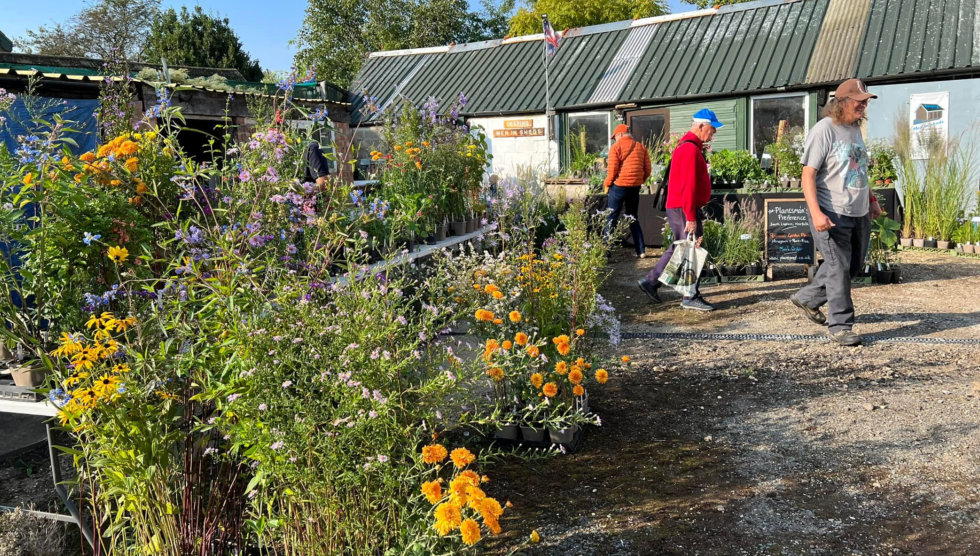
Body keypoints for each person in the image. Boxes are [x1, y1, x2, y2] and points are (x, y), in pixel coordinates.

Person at [790, 78, 881, 346]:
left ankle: (807, 298)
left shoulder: (855, 130)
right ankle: (841, 325)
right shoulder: (824, 130)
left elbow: (858, 169)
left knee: (851, 266)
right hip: (832, 211)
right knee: (838, 267)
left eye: (865, 102)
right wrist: (816, 213)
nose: (863, 106)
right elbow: (808, 175)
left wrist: (872, 199)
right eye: (858, 101)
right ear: (841, 103)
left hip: (858, 210)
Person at [637, 109, 721, 311]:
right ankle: (690, 296)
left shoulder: (689, 147)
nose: (714, 134)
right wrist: (691, 216)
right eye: (712, 129)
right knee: (692, 248)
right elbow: (688, 186)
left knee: (682, 247)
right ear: (701, 126)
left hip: (680, 206)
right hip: (684, 207)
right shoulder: (690, 149)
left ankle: (652, 282)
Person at [603, 123, 651, 258]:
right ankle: (641, 251)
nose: (615, 139)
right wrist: (640, 180)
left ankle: (607, 252)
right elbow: (648, 169)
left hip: (618, 187)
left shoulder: (616, 147)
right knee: (633, 218)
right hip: (634, 188)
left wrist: (606, 184)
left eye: (615, 137)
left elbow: (611, 171)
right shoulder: (641, 147)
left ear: (620, 135)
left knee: (611, 218)